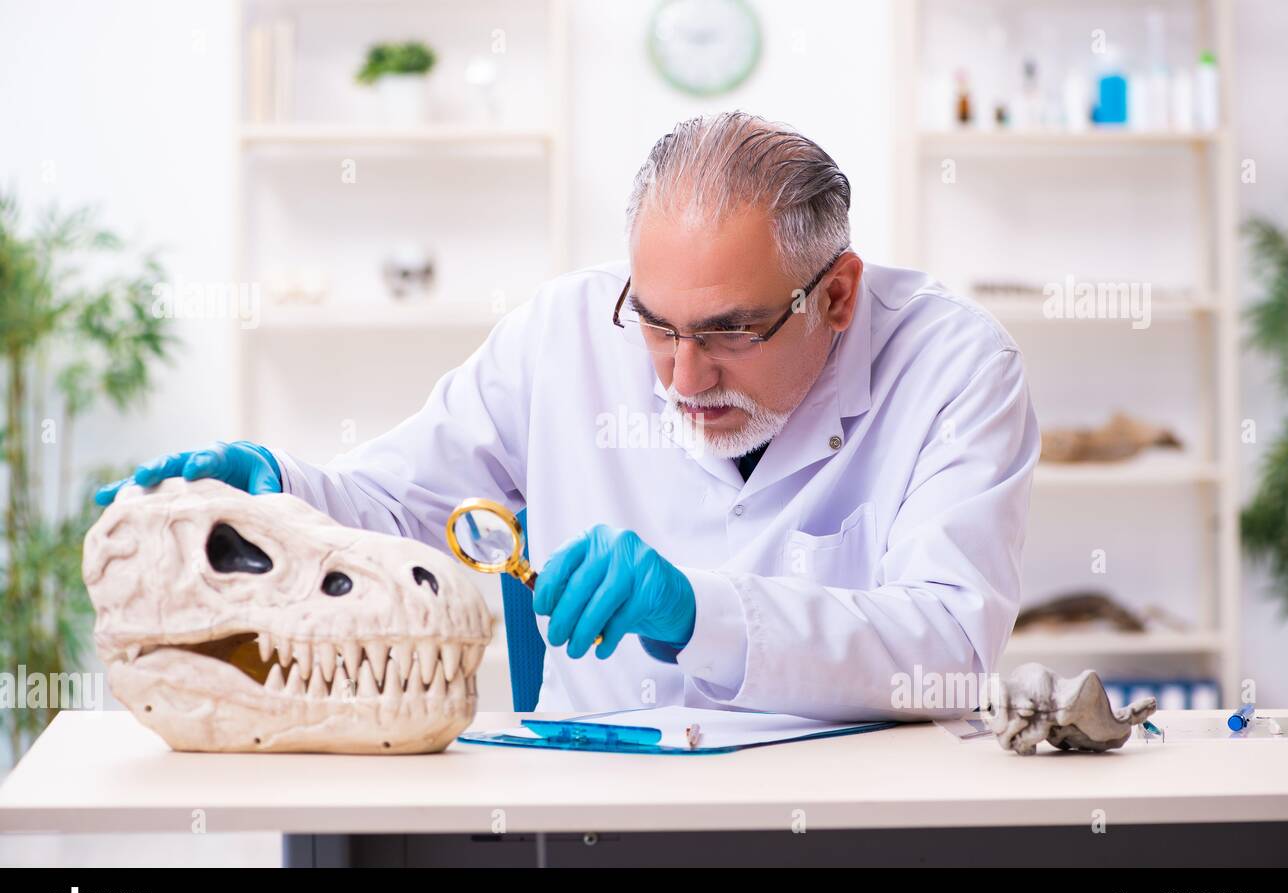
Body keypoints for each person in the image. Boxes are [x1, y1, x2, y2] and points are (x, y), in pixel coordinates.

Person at [97, 112, 1040, 722]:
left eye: (728, 332)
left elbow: (949, 646)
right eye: (657, 325)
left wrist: (699, 610)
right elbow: (400, 502)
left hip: (851, 821)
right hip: (597, 813)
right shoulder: (562, 334)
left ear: (836, 296)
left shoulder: (956, 368)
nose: (681, 375)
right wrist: (278, 492)